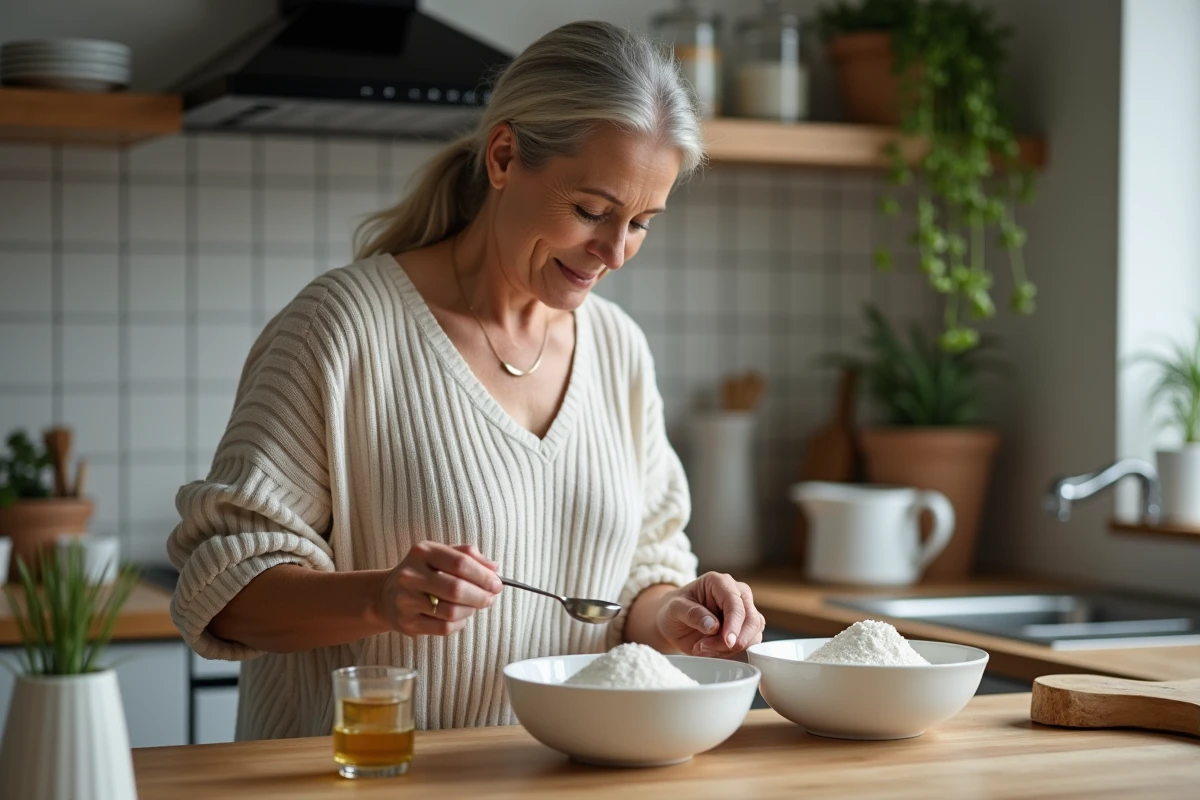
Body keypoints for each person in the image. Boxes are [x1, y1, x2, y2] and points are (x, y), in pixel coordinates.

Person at [167, 19, 766, 741]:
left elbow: (640, 574)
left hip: (560, 777)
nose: (614, 251)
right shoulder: (343, 328)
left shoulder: (619, 349)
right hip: (365, 776)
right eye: (591, 211)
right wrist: (380, 599)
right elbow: (222, 589)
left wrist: (674, 614)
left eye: (641, 222)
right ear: (504, 156)